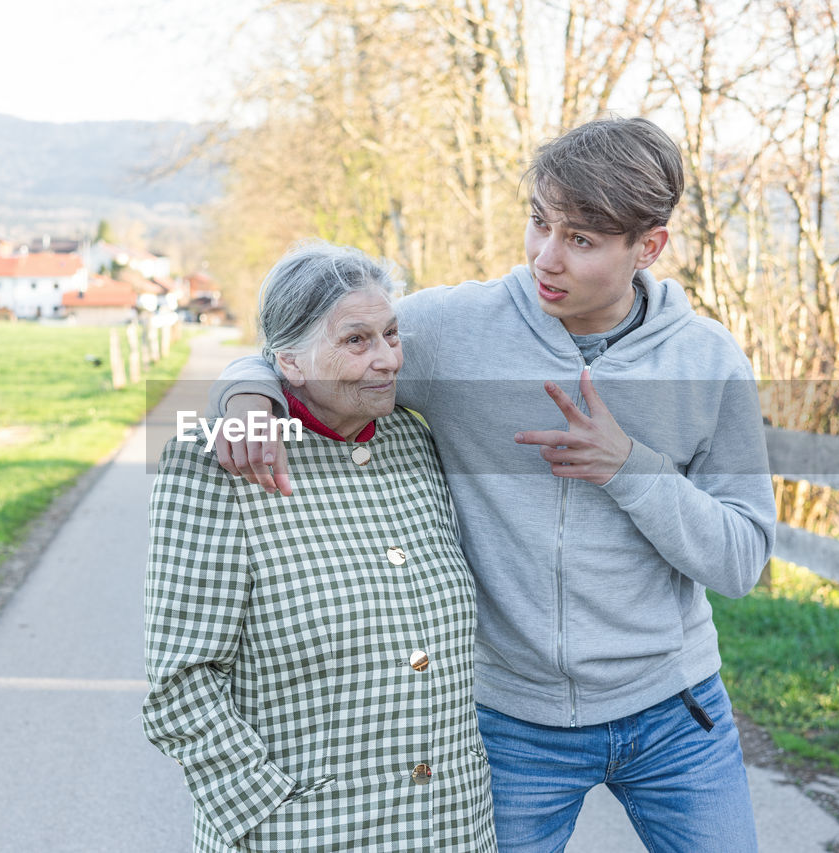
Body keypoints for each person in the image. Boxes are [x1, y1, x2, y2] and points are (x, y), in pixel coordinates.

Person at [210, 117, 776, 852]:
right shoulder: (456, 330)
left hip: (675, 712)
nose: (546, 256)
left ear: (649, 246)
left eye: (581, 239)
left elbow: (743, 560)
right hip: (510, 724)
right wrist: (247, 396)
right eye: (540, 222)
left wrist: (629, 467)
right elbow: (307, 344)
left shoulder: (707, 361)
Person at [143, 241, 498, 852]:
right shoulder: (213, 465)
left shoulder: (415, 443)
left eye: (391, 334)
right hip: (301, 831)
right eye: (356, 341)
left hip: (452, 827)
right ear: (290, 362)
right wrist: (265, 808)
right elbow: (179, 684)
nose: (388, 359)